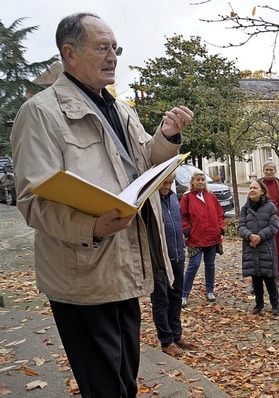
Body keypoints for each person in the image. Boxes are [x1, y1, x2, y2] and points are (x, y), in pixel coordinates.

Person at [10, 13, 193, 397]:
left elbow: (145, 160)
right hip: (80, 274)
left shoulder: (120, 108)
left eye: (116, 48)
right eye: (102, 48)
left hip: (123, 268)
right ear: (69, 53)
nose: (113, 57)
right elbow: (30, 200)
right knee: (105, 386)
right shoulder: (40, 113)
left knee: (125, 380)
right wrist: (89, 227)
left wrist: (166, 135)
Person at [152, 173, 196, 357]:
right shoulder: (151, 202)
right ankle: (166, 340)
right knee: (161, 300)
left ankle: (177, 335)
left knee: (176, 297)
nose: (167, 186)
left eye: (170, 182)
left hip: (177, 256)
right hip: (159, 259)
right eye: (164, 183)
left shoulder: (173, 199)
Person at [180, 170, 225, 307]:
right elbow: (182, 216)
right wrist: (188, 231)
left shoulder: (211, 197)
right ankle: (184, 294)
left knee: (210, 265)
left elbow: (219, 214)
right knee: (193, 265)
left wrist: (220, 227)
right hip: (196, 238)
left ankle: (210, 290)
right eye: (198, 180)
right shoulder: (187, 198)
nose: (200, 182)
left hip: (212, 236)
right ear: (193, 182)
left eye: (202, 180)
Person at [238, 180, 279, 315]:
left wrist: (259, 237)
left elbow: (274, 226)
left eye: (255, 188)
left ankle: (275, 304)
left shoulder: (270, 206)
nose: (251, 190)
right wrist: (250, 235)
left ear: (262, 191)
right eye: (250, 187)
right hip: (251, 247)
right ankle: (259, 304)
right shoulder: (245, 208)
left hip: (265, 246)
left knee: (269, 278)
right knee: (255, 277)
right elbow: (240, 226)